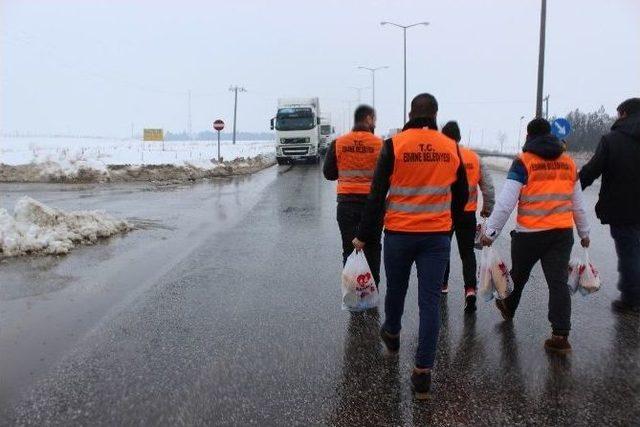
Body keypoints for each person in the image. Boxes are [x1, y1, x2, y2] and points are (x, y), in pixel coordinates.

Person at [352, 93, 468, 398]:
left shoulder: (395, 145)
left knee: (397, 290)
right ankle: (422, 374)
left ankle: (392, 333)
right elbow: (462, 194)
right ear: (435, 115)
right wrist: (449, 226)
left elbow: (377, 195)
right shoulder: (451, 147)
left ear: (410, 114)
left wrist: (364, 234)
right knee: (430, 303)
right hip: (436, 238)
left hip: (400, 234)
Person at [480, 118, 590, 354]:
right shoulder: (568, 162)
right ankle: (560, 335)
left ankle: (508, 308)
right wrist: (584, 233)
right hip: (561, 234)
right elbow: (578, 204)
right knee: (558, 282)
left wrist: (490, 232)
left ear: (529, 137)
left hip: (529, 235)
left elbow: (506, 202)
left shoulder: (523, 161)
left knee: (518, 277)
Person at [580, 98, 640, 315]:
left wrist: (572, 190)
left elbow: (592, 170)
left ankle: (632, 299)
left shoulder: (612, 140)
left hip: (622, 208)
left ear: (624, 114)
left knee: (629, 253)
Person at [323, 105, 383, 285]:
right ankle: (372, 292)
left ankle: (352, 291)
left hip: (346, 204)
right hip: (372, 206)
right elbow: (387, 176)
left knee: (349, 249)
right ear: (369, 119)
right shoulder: (380, 144)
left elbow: (329, 173)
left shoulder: (339, 143)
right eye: (374, 119)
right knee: (372, 248)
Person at [440, 121, 495, 312]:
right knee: (467, 254)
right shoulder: (474, 158)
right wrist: (487, 208)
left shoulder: (441, 157)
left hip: (444, 213)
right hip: (467, 213)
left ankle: (443, 284)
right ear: (460, 137)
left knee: (442, 249)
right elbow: (487, 186)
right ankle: (470, 289)